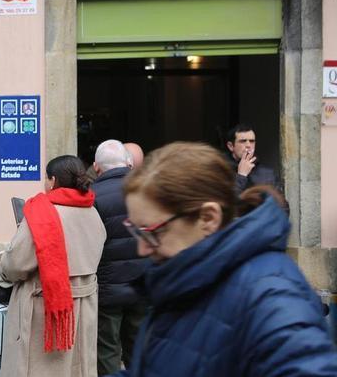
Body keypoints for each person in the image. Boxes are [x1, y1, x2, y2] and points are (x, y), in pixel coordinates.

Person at [114, 142, 337, 376]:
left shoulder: (271, 293)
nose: (141, 249)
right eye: (136, 230)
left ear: (208, 218)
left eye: (152, 231)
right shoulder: (183, 280)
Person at [0, 155, 106, 377]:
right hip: (85, 306)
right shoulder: (92, 211)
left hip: (43, 307)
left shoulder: (41, 211)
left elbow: (17, 262)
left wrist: (0, 264)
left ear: (52, 180)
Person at [91, 140, 148, 375]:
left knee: (107, 352)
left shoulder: (90, 197)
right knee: (139, 350)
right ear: (128, 163)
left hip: (107, 289)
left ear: (96, 167)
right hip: (143, 286)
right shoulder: (149, 190)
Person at [225, 123, 276, 194]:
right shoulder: (220, 171)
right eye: (243, 141)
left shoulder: (267, 174)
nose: (248, 145)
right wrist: (241, 175)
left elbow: (280, 203)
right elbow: (226, 202)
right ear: (231, 146)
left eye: (252, 141)